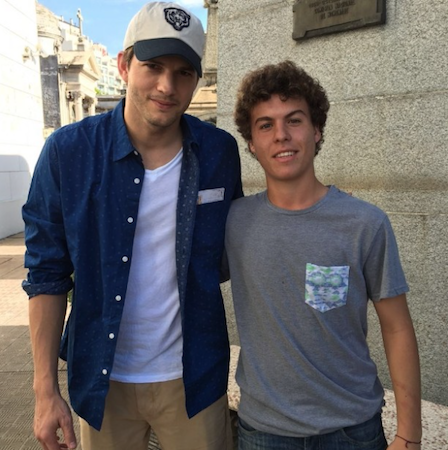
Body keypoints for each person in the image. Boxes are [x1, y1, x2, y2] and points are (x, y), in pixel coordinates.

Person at [22, 2, 243, 449]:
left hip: (193, 376)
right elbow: (46, 274)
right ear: (124, 65)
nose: (167, 86)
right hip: (102, 379)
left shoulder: (218, 153)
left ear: (197, 78)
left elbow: (233, 249)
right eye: (153, 66)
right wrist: (46, 391)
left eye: (184, 71)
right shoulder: (69, 153)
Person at [225, 60, 421, 450]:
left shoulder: (364, 223)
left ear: (316, 131)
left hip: (352, 430)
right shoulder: (233, 220)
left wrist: (409, 435)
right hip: (263, 432)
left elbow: (397, 328)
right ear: (250, 141)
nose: (281, 135)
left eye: (294, 120)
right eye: (265, 125)